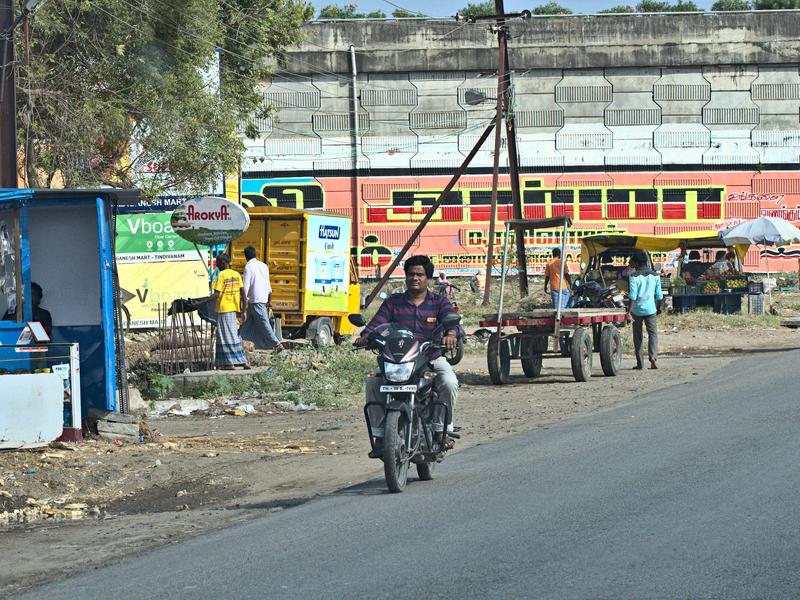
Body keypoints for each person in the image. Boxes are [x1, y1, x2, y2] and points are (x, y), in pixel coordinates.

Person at [354, 255, 459, 458]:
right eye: (411, 274)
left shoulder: (439, 301)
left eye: (420, 274)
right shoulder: (394, 303)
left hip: (430, 356)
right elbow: (377, 323)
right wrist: (366, 336)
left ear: (428, 278)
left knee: (449, 382)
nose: (415, 278)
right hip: (398, 360)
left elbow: (451, 322)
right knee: (373, 382)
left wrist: (451, 335)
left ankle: (440, 430)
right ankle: (380, 437)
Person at [196, 254, 248, 370]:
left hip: (224, 309)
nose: (217, 265)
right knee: (233, 335)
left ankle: (230, 363)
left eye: (218, 263)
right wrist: (244, 310)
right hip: (233, 309)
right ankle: (241, 361)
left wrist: (200, 302)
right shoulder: (236, 275)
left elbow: (216, 295)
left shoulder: (221, 275)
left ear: (223, 263)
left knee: (225, 336)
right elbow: (244, 295)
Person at [239, 246, 284, 353]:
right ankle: (239, 343)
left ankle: (276, 343)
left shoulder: (248, 267)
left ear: (246, 256)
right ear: (255, 254)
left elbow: (245, 287)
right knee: (247, 325)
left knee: (263, 323)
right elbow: (268, 284)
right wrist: (269, 300)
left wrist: (243, 303)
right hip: (262, 298)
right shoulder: (264, 266)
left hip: (254, 300)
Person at [626, 250, 663, 370]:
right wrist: (659, 308)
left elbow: (633, 295)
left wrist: (628, 311)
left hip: (637, 310)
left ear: (636, 263)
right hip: (651, 309)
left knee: (638, 336)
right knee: (653, 334)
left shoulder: (634, 276)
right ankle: (653, 358)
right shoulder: (655, 276)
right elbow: (659, 295)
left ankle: (640, 363)